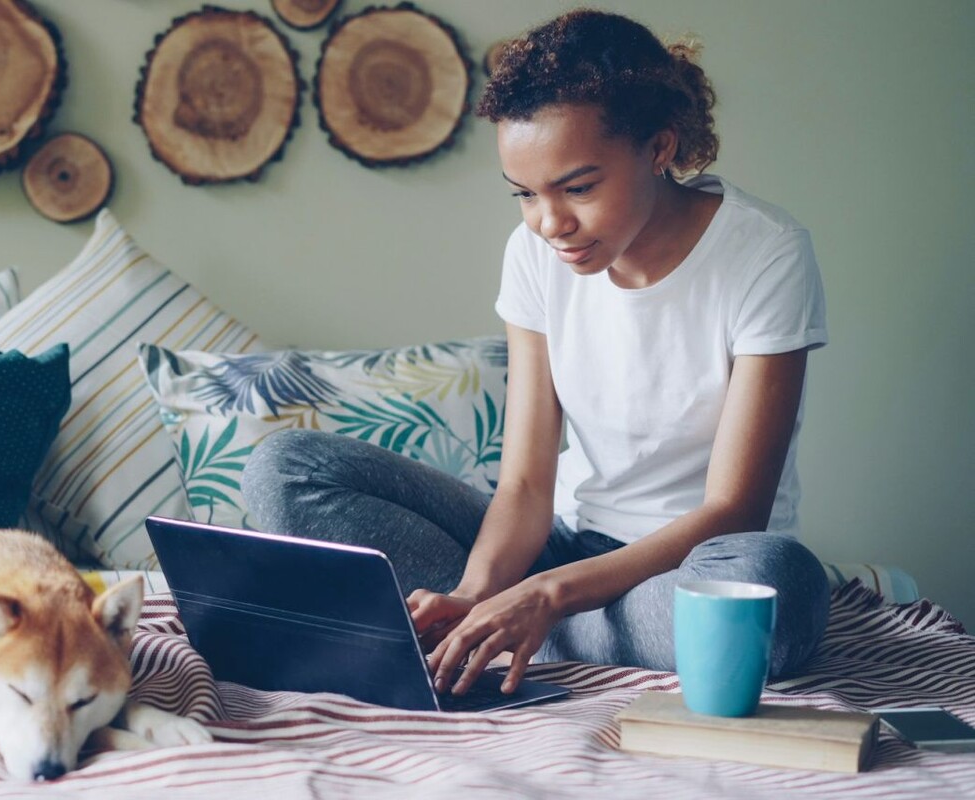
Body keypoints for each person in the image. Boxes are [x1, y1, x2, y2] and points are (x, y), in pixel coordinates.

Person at [240, 9, 831, 699]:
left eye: (579, 187)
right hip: (561, 544)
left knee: (778, 585)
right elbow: (522, 486)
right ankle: (513, 624)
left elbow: (734, 509)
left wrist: (546, 597)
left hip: (690, 566)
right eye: (525, 194)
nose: (551, 223)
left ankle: (546, 628)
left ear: (660, 147)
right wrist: (475, 594)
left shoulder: (766, 253)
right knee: (284, 468)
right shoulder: (533, 255)